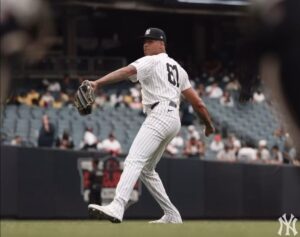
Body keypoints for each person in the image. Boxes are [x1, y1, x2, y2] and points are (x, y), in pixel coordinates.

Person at [87, 27, 215, 224]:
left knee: (133, 160)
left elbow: (126, 71)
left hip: (160, 113)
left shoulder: (151, 61)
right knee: (147, 169)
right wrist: (208, 125)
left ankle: (117, 205)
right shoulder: (179, 69)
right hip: (173, 119)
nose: (145, 43)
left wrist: (98, 83)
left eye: (151, 40)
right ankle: (172, 214)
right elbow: (198, 103)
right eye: (144, 40)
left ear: (161, 43)